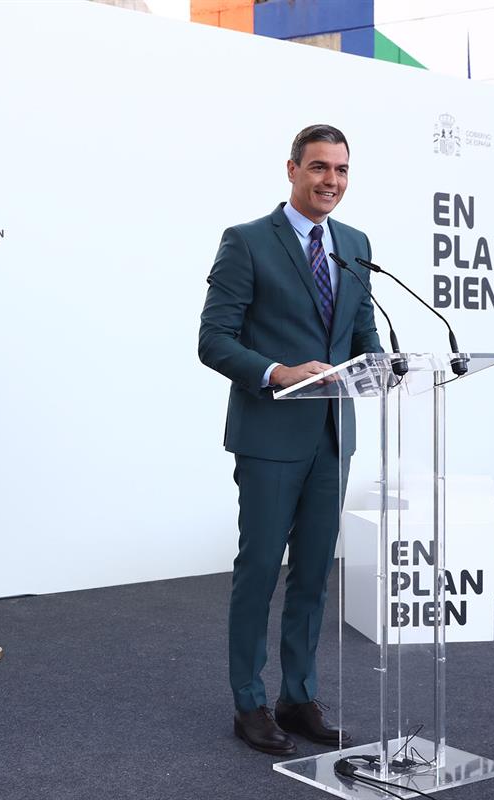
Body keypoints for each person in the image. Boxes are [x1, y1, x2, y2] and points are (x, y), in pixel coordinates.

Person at [197, 124, 382, 756]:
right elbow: (214, 340)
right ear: (292, 169)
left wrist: (379, 365)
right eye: (320, 168)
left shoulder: (355, 244)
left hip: (333, 437)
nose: (332, 180)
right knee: (258, 571)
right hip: (271, 436)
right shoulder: (247, 242)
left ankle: (297, 695)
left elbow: (361, 332)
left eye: (342, 170)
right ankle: (249, 702)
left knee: (312, 575)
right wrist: (276, 373)